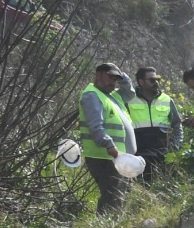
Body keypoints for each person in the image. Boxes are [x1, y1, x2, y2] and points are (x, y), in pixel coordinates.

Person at [77, 62, 136, 215]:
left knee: (119, 195)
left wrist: (122, 75)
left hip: (117, 157)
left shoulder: (112, 96)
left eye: (116, 79)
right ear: (98, 75)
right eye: (110, 77)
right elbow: (95, 126)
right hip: (103, 156)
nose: (113, 82)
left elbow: (130, 93)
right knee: (112, 195)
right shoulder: (92, 95)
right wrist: (109, 145)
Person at [120, 67, 182, 181]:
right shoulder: (129, 99)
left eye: (157, 79)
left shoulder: (167, 99)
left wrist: (175, 145)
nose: (156, 82)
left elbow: (177, 124)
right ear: (141, 82)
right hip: (139, 154)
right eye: (152, 80)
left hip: (163, 154)